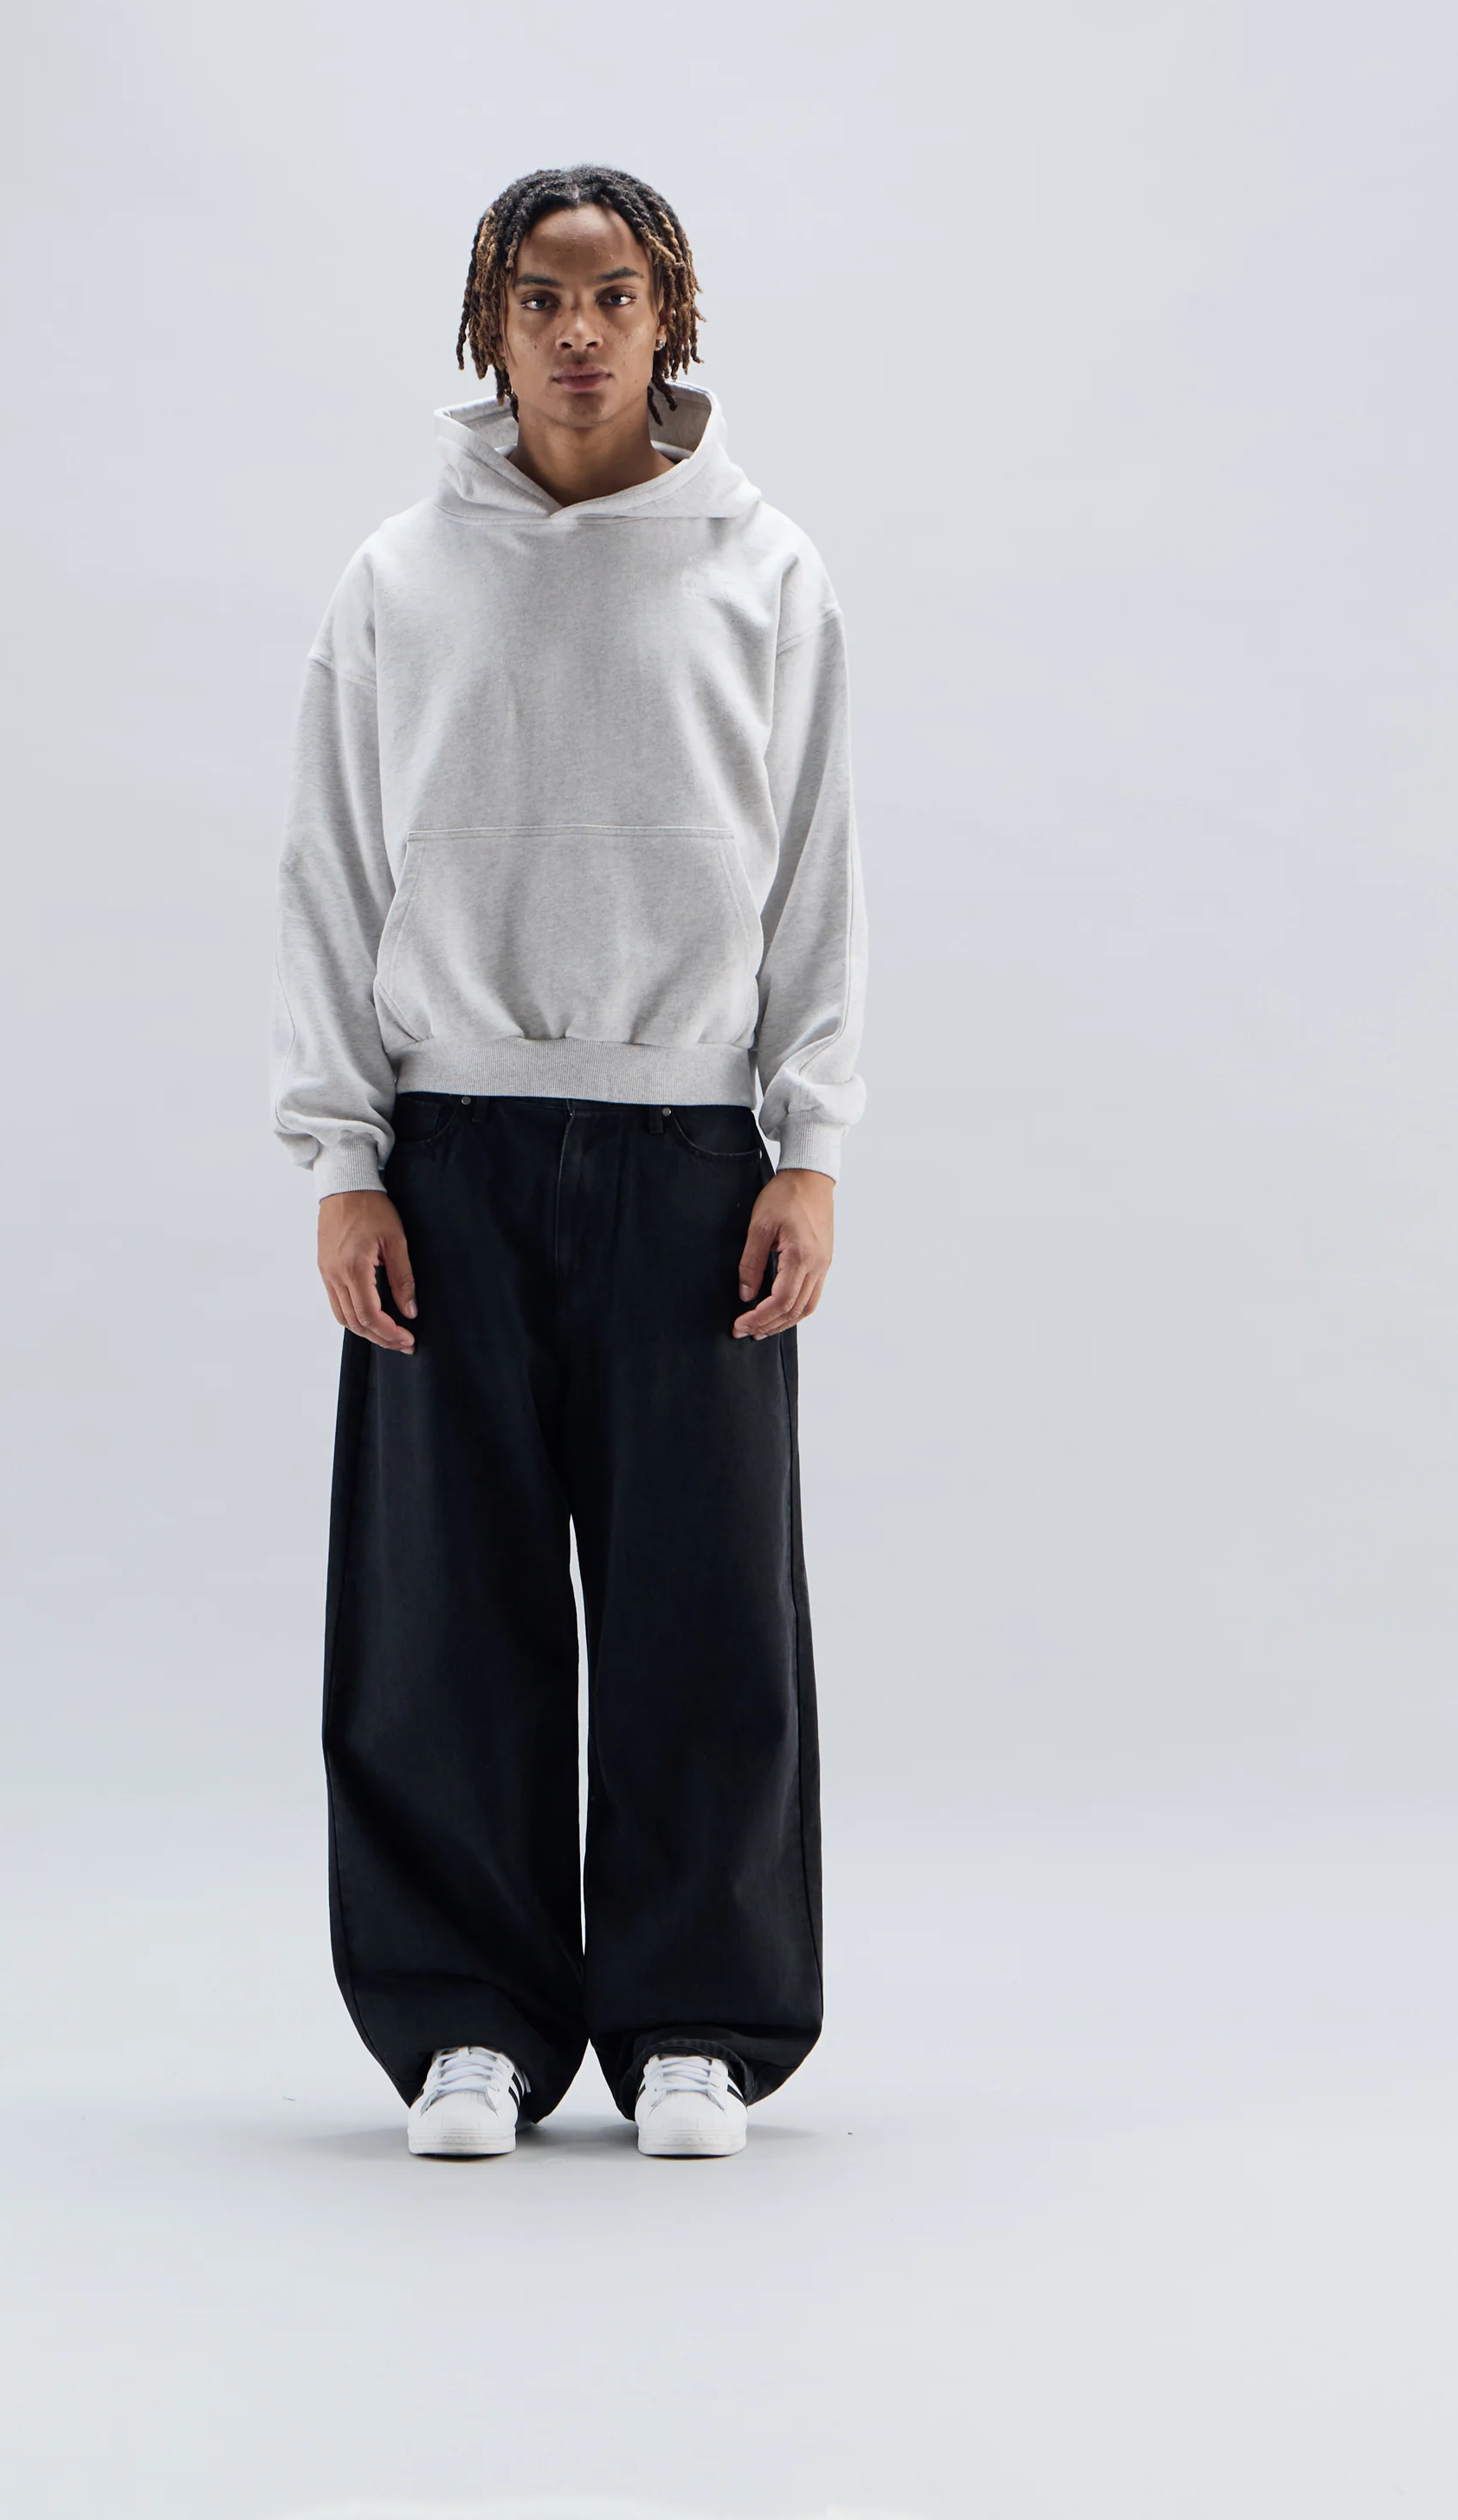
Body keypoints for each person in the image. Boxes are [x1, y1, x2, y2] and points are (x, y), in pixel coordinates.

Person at [270, 164, 867, 2160]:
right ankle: (469, 2015)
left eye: (616, 295)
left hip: (692, 1142)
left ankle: (698, 2010)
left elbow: (820, 866)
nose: (581, 331)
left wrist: (811, 1139)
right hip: (449, 1140)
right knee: (449, 1599)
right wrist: (344, 1154)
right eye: (543, 297)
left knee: (707, 1594)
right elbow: (329, 871)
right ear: (490, 322)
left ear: (668, 315)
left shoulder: (766, 573)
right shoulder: (398, 580)